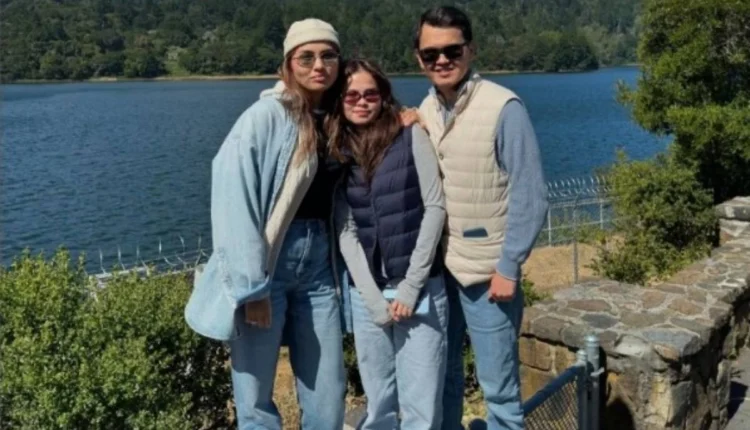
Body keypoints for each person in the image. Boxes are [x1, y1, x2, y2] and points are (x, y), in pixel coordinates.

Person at [184, 18, 348, 430]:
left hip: (320, 267)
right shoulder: (264, 117)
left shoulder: (337, 116)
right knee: (255, 398)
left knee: (328, 392)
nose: (319, 65)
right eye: (306, 57)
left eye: (328, 55)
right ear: (288, 64)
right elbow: (233, 201)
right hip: (267, 265)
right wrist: (251, 287)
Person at [413, 6, 550, 430]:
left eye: (452, 50)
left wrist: (509, 265)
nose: (442, 60)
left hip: (489, 276)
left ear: (470, 50)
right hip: (441, 272)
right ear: (419, 59)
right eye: (431, 53)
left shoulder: (503, 107)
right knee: (444, 378)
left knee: (500, 392)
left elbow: (531, 195)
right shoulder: (426, 108)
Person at [331, 59, 448, 430]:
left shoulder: (409, 135)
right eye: (351, 95)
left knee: (421, 406)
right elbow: (346, 230)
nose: (362, 101)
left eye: (371, 93)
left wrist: (411, 286)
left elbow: (435, 208)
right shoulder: (338, 150)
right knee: (378, 402)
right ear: (340, 100)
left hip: (420, 287)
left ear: (383, 96)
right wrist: (371, 299)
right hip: (367, 295)